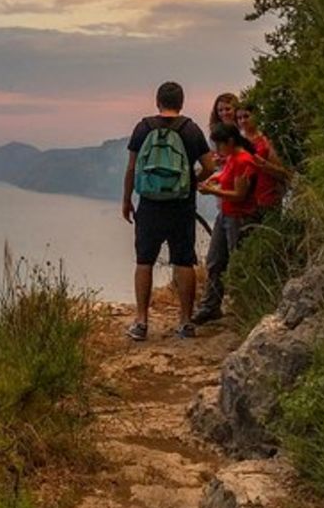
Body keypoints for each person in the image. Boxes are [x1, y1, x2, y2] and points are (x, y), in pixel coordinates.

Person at [122, 81, 216, 341]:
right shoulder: (191, 129)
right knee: (184, 261)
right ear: (181, 102)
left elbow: (132, 168)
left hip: (149, 204)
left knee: (144, 261)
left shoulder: (143, 128)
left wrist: (126, 199)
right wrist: (192, 182)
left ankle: (141, 322)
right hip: (181, 205)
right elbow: (209, 166)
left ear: (157, 101)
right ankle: (185, 322)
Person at [193, 123, 259, 324]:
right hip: (225, 215)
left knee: (238, 263)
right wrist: (214, 181)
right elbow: (225, 176)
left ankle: (245, 307)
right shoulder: (232, 158)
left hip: (238, 217)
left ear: (230, 142)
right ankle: (210, 306)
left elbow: (239, 194)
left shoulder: (244, 161)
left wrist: (212, 191)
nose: (218, 149)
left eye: (219, 145)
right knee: (214, 261)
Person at [236, 103, 289, 212]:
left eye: (246, 116)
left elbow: (281, 171)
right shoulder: (237, 142)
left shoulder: (265, 140)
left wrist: (261, 163)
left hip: (267, 196)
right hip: (245, 200)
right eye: (239, 118)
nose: (243, 121)